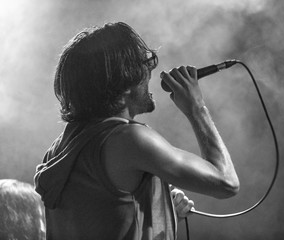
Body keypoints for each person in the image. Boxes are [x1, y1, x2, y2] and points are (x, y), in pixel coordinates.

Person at [34, 22, 239, 240]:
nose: (150, 74)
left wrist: (162, 212)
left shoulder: (60, 149)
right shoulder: (128, 139)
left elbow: (102, 220)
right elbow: (225, 183)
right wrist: (196, 108)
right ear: (124, 78)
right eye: (144, 66)